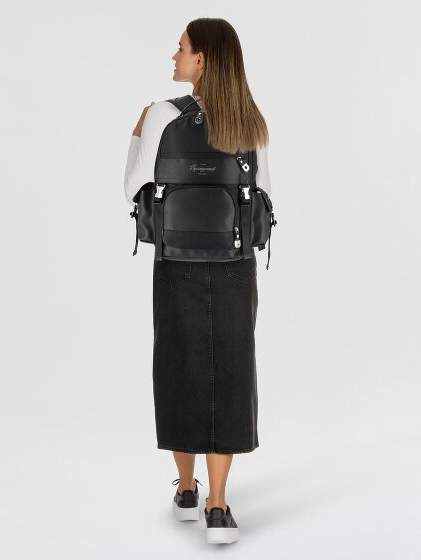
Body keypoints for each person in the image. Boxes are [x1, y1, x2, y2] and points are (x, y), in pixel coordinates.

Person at [124, 18, 272, 545]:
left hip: (176, 263)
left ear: (203, 59)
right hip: (234, 266)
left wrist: (137, 134)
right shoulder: (250, 120)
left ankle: (186, 491)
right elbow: (265, 195)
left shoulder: (162, 115)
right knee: (230, 372)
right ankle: (219, 505)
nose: (175, 56)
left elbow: (132, 188)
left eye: (182, 48)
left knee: (179, 367)